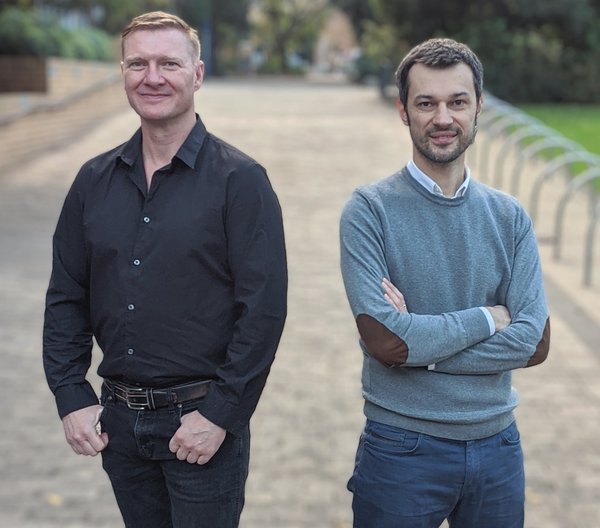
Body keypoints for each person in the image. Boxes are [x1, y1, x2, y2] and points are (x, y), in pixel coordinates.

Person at [43, 11, 287, 528]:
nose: (152, 77)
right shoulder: (92, 181)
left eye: (168, 64)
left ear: (196, 75)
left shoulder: (241, 181)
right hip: (120, 426)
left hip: (199, 426)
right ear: (123, 73)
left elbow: (262, 311)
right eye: (138, 63)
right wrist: (71, 394)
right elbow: (67, 294)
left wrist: (221, 414)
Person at [340, 38, 550, 528]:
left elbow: (534, 341)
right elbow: (386, 341)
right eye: (426, 103)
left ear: (478, 107)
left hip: (499, 447)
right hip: (401, 450)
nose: (442, 118)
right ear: (402, 111)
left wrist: (419, 343)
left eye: (457, 102)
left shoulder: (509, 217)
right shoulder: (369, 211)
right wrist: (488, 318)